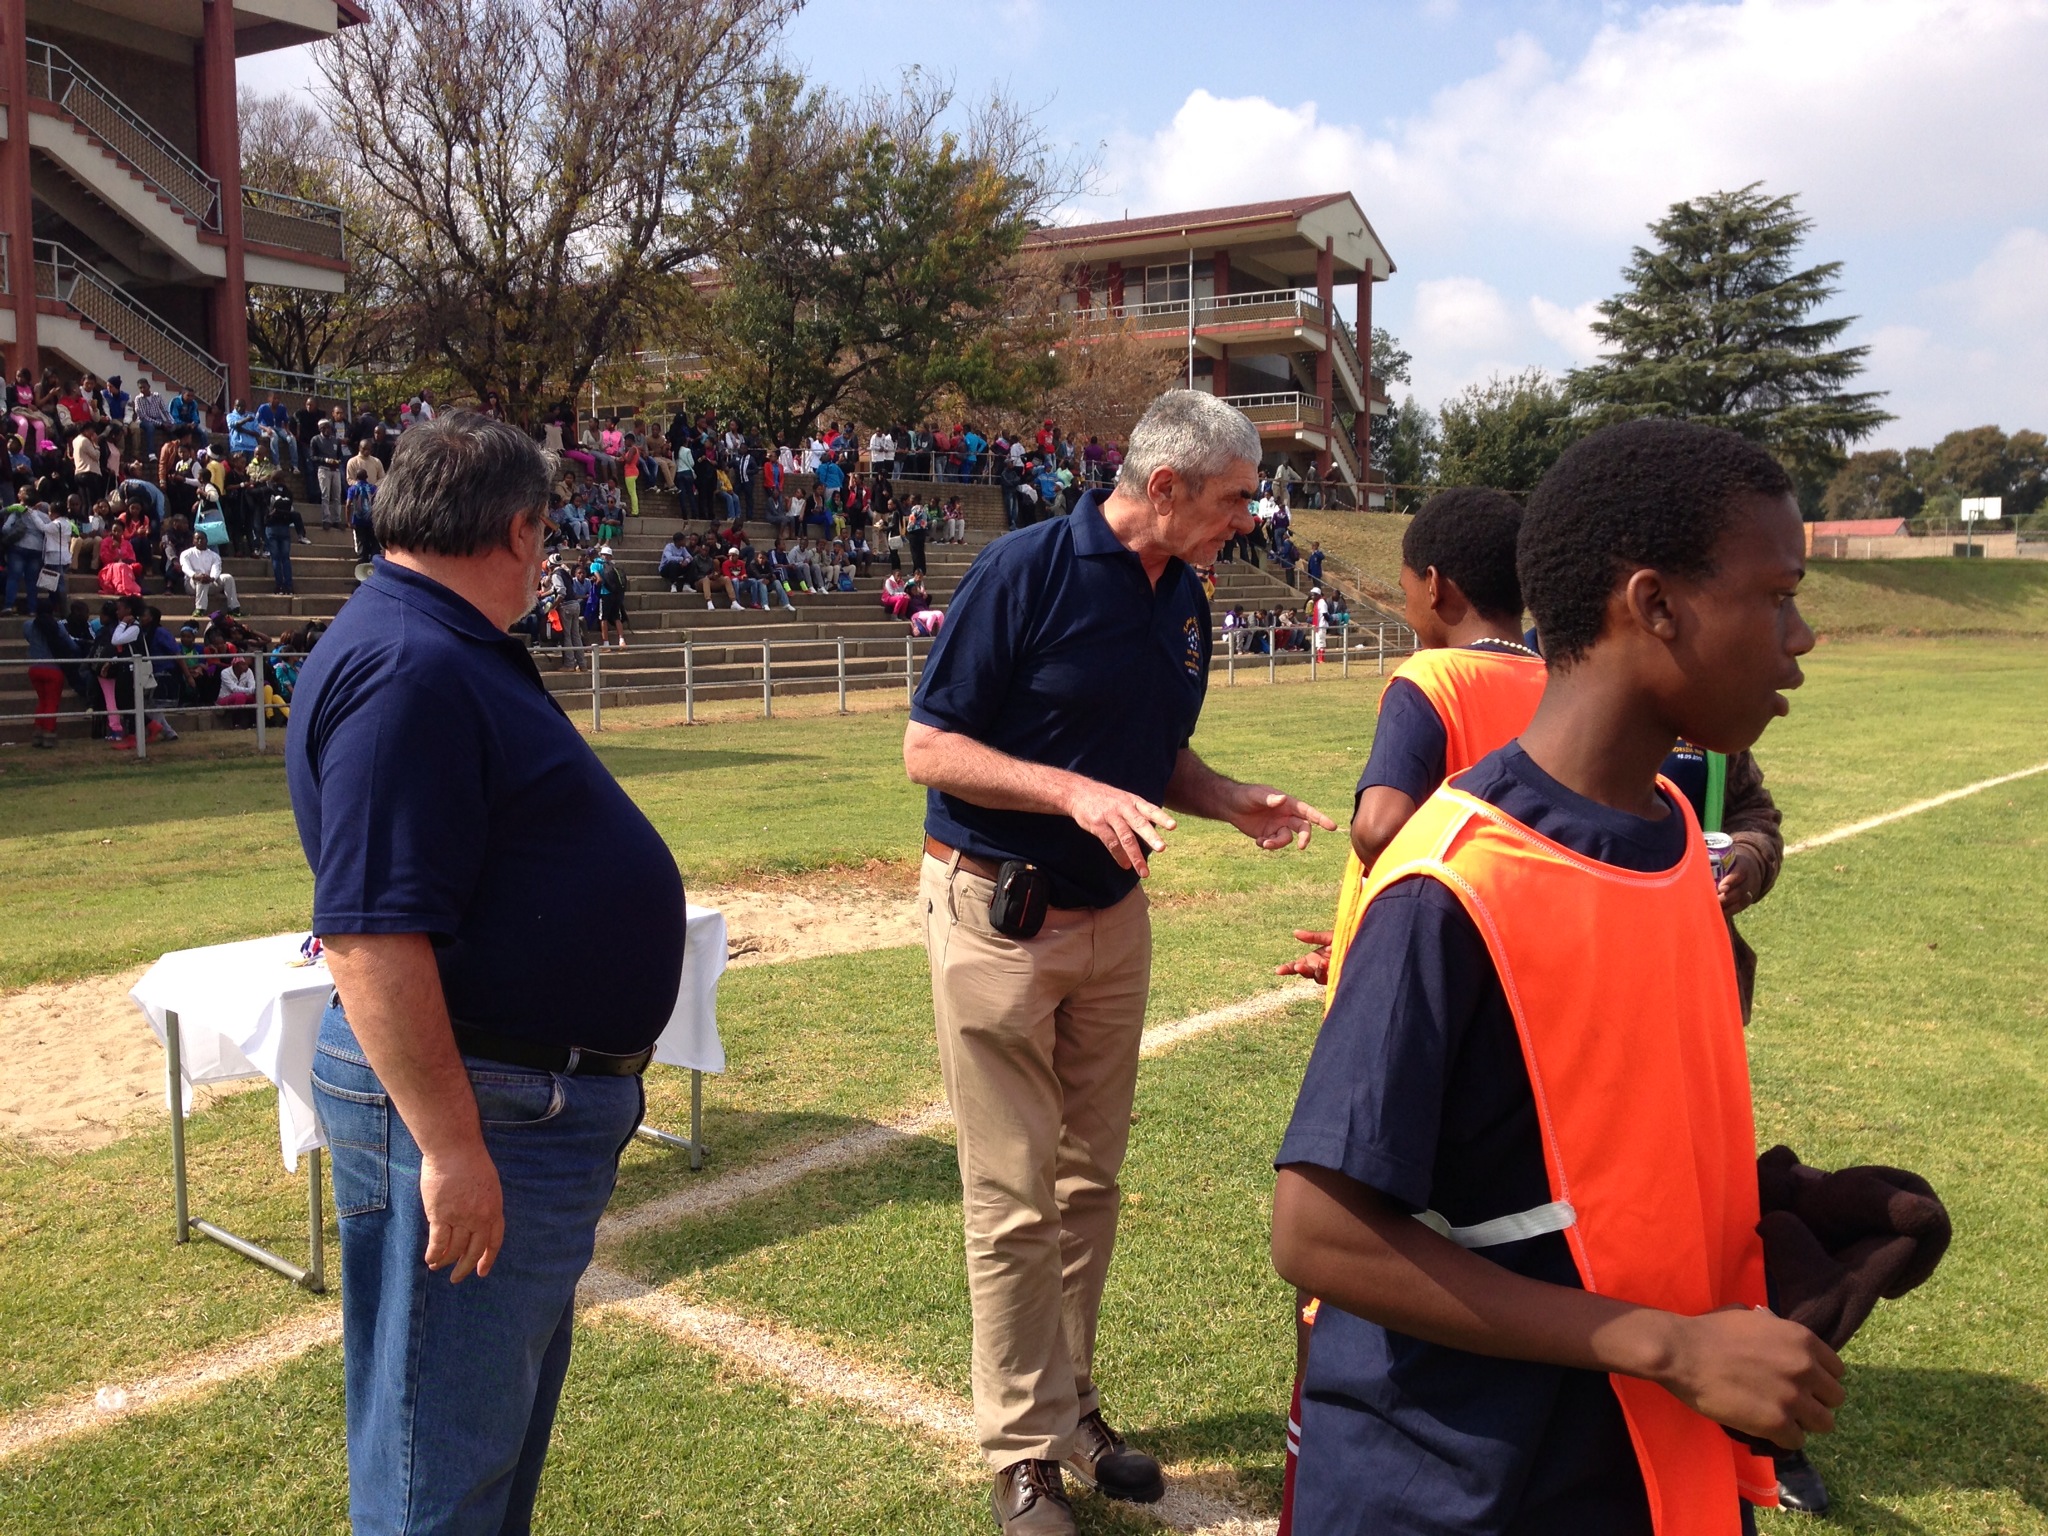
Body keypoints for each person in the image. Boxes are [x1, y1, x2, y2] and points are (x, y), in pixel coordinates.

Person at [1271, 419, 1841, 1536]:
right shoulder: (1454, 885)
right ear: (1654, 605)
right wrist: (1666, 1344)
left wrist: (1756, 1234)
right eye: (1775, 597)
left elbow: (1596, 1147)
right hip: (1466, 1483)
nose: (1801, 636)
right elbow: (1319, 1234)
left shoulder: (1673, 834)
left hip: (1637, 1459)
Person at [903, 390, 1336, 1535]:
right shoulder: (1025, 570)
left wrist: (1227, 798)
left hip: (1111, 920)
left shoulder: (1184, 594)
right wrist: (1070, 793)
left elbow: (1153, 751)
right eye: (1235, 498)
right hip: (996, 914)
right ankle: (1022, 1453)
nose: (1248, 519)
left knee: (1086, 1186)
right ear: (1165, 488)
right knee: (1011, 1199)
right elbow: (927, 747)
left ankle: (1068, 1408)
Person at [289, 412, 686, 1536]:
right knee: (440, 1474)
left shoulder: (426, 643)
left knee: (475, 1453)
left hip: (503, 1096)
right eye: (546, 533)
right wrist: (454, 1149)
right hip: (481, 1103)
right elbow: (368, 937)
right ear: (519, 529)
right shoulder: (409, 665)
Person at [179, 531, 240, 616]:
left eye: (202, 539)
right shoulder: (186, 554)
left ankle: (234, 608)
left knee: (228, 577)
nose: (200, 541)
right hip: (192, 584)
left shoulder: (214, 556)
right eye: (197, 539)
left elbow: (216, 569)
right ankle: (200, 609)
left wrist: (211, 578)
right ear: (193, 541)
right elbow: (185, 568)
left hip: (210, 582)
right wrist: (196, 576)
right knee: (201, 579)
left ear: (207, 541)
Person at [310, 419, 348, 529]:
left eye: (330, 428)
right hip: (324, 469)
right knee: (325, 495)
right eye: (326, 428)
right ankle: (326, 519)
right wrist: (325, 460)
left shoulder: (336, 440)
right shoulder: (315, 440)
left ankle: (337, 520)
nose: (329, 430)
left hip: (335, 470)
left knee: (337, 496)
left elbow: (340, 455)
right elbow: (312, 457)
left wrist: (338, 461)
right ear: (321, 429)